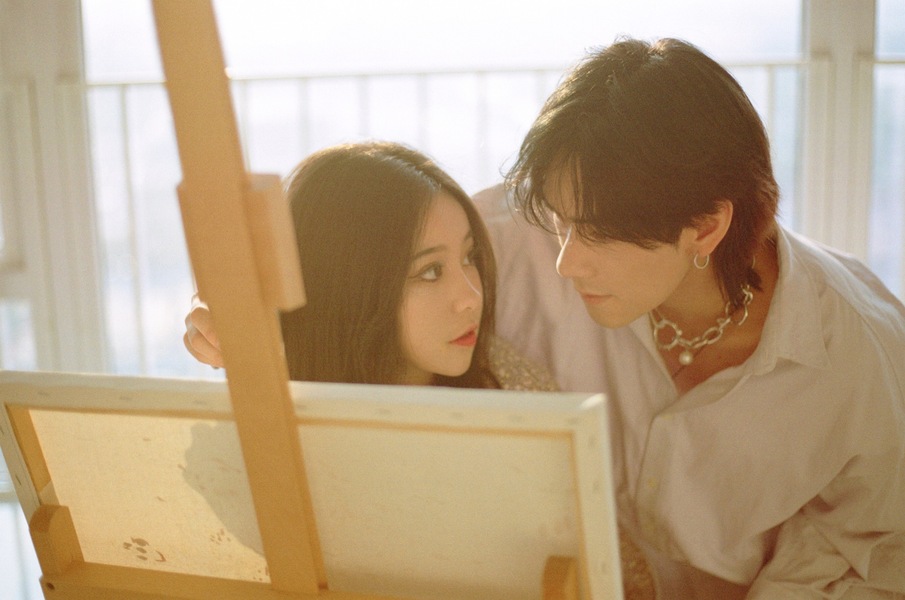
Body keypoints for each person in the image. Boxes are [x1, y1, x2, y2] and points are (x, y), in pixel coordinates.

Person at [502, 37, 905, 598]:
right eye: (560, 221)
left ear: (708, 227)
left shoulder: (864, 354)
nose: (566, 262)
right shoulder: (514, 242)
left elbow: (883, 559)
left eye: (596, 234)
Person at [183, 140, 656, 598]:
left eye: (469, 258)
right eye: (431, 271)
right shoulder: (266, 436)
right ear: (351, 288)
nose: (471, 296)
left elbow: (627, 581)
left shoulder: (509, 387)